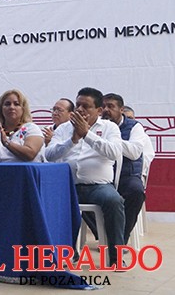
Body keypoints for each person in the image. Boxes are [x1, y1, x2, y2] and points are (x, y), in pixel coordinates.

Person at [45, 87, 124, 267]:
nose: (80, 110)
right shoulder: (64, 128)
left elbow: (114, 152)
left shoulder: (109, 127)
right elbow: (49, 155)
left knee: (114, 201)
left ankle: (116, 257)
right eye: (78, 105)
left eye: (86, 106)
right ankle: (65, 254)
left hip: (99, 186)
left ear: (99, 110)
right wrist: (72, 140)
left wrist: (87, 134)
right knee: (47, 201)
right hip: (68, 186)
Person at [101, 93, 147, 244]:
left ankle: (120, 239)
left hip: (126, 175)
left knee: (136, 192)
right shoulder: (97, 126)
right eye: (103, 106)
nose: (106, 110)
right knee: (78, 192)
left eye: (111, 106)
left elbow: (134, 153)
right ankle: (104, 234)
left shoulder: (134, 126)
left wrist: (111, 140)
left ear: (121, 109)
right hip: (102, 176)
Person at [0, 89, 44, 162]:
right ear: (1, 108)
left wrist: (7, 143)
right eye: (7, 104)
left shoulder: (31, 128)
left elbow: (30, 154)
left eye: (16, 104)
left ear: (23, 108)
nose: (12, 107)